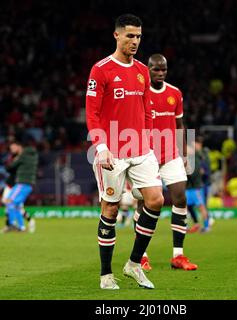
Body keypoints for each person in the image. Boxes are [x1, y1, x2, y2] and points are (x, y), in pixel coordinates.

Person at [85, 14, 164, 290]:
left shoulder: (143, 70)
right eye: (130, 36)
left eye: (139, 36)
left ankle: (133, 264)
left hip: (141, 149)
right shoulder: (101, 69)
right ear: (116, 35)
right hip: (112, 152)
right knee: (111, 207)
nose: (135, 41)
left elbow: (147, 110)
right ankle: (106, 274)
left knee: (155, 200)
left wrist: (151, 140)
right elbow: (92, 114)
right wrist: (102, 147)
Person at [133, 53, 197, 272]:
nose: (160, 73)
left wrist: (186, 153)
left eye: (163, 69)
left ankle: (178, 256)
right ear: (148, 69)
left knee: (180, 197)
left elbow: (179, 124)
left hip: (170, 154)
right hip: (145, 155)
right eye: (155, 69)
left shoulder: (175, 93)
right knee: (145, 204)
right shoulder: (140, 92)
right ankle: (141, 256)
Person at [3, 138, 38, 232]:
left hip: (22, 183)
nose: (12, 150)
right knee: (16, 205)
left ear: (19, 147)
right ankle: (22, 226)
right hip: (24, 184)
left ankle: (14, 224)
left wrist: (10, 162)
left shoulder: (22, 156)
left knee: (9, 202)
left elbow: (11, 167)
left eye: (13, 147)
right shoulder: (32, 155)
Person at [185, 137, 211, 233]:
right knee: (185, 208)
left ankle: (207, 226)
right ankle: (186, 226)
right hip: (187, 188)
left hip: (196, 188)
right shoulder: (188, 159)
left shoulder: (195, 159)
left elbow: (194, 173)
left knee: (201, 207)